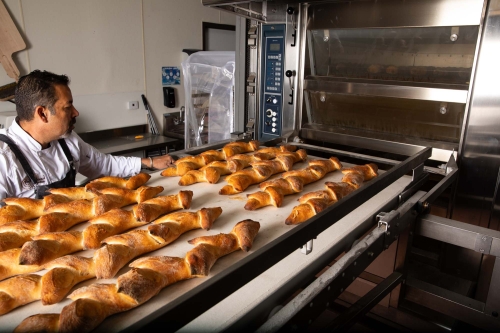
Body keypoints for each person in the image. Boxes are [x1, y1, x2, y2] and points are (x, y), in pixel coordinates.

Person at [0, 70, 175, 200]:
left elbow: (101, 164)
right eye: (68, 107)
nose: (76, 113)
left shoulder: (66, 139)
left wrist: (149, 162)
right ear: (42, 114)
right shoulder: (4, 161)